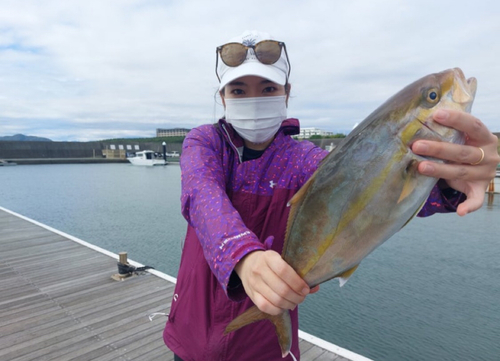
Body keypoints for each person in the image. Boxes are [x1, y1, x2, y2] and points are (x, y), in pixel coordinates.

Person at [163, 30, 500, 361]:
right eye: (238, 90)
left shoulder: (301, 160)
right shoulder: (205, 143)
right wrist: (243, 257)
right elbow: (201, 195)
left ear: (286, 93)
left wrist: (448, 181)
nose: (254, 99)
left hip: (263, 348)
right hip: (191, 334)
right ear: (223, 97)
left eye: (268, 88)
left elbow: (366, 188)